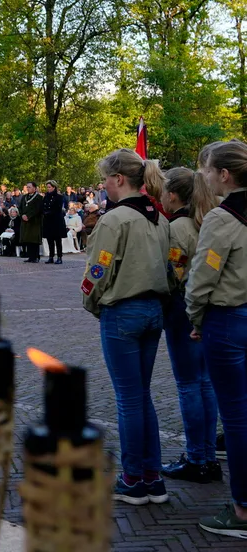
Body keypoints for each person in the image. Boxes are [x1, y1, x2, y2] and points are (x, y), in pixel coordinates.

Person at [82, 148, 170, 506]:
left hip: (123, 311)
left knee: (129, 400)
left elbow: (98, 269)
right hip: (153, 309)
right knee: (142, 396)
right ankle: (152, 476)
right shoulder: (158, 218)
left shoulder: (115, 220)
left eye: (106, 178)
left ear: (118, 179)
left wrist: (90, 301)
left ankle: (133, 478)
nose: (103, 185)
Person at [185, 140, 247, 538]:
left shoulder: (222, 218)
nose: (204, 177)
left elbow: (203, 277)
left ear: (224, 174)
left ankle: (242, 509)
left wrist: (195, 318)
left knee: (238, 419)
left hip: (229, 322)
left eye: (207, 169)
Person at [157, 167, 221, 484]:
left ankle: (197, 457)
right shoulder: (209, 221)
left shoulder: (177, 228)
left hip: (184, 309)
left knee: (188, 384)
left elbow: (174, 273)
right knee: (206, 383)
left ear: (172, 195)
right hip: (212, 309)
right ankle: (207, 455)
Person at [42, 180, 67, 264]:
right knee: (50, 240)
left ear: (54, 187)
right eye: (47, 187)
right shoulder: (46, 196)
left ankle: (59, 257)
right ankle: (51, 256)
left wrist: (49, 212)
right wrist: (44, 212)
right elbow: (43, 206)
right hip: (48, 220)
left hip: (56, 221)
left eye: (49, 187)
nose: (48, 189)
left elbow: (58, 208)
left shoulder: (59, 197)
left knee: (58, 240)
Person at [18, 182, 42, 262]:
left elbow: (37, 209)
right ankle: (30, 257)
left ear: (34, 188)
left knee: (34, 240)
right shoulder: (24, 197)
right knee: (28, 239)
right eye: (27, 187)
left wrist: (28, 216)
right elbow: (20, 207)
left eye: (29, 187)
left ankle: (36, 257)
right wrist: (22, 215)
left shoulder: (39, 198)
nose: (28, 189)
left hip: (34, 222)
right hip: (25, 221)